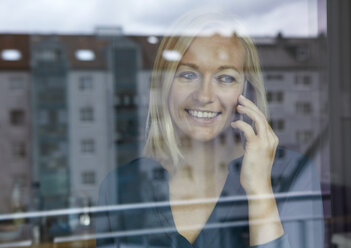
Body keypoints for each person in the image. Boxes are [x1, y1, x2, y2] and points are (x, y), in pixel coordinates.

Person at [96, 11, 324, 248]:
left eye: (225, 78)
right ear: (164, 85)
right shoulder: (120, 186)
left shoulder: (293, 175)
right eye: (188, 74)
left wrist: (260, 193)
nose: (204, 96)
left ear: (246, 91)